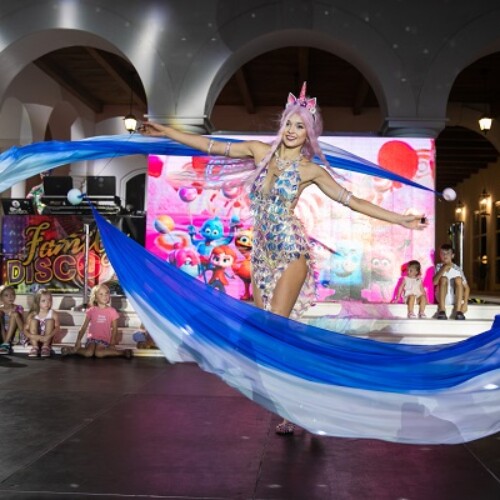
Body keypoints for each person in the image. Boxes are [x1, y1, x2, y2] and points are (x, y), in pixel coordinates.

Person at [140, 82, 427, 434]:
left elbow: (352, 202)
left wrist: (400, 219)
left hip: (291, 249)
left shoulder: (310, 170)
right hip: (262, 255)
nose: (292, 130)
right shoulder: (259, 152)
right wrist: (165, 131)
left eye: (300, 126)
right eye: (289, 123)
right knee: (270, 334)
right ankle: (304, 394)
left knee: (276, 326)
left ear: (309, 133)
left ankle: (293, 407)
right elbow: (208, 145)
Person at [61, 283, 132, 358]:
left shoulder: (112, 311)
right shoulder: (91, 310)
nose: (104, 296)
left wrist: (112, 342)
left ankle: (122, 352)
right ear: (95, 297)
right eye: (101, 294)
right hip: (92, 339)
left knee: (99, 353)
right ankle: (73, 350)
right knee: (89, 353)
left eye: (106, 293)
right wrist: (78, 340)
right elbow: (84, 326)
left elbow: (115, 328)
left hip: (104, 339)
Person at [433, 243, 469, 320]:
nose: (445, 255)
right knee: (443, 278)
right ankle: (442, 310)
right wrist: (444, 268)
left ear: (452, 255)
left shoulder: (457, 269)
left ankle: (458, 311)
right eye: (442, 253)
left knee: (458, 279)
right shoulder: (438, 266)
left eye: (448, 253)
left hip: (454, 297)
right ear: (440, 255)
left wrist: (465, 303)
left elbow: (467, 288)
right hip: (442, 296)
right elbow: (434, 282)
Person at [24, 288, 60, 358]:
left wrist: (48, 337)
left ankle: (45, 347)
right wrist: (32, 336)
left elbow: (57, 327)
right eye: (43, 301)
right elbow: (25, 329)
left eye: (49, 300)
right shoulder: (33, 314)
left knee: (50, 321)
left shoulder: (53, 313)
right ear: (38, 302)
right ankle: (35, 347)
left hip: (48, 338)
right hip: (35, 337)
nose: (47, 303)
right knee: (33, 321)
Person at [0, 285, 25, 354]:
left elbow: (22, 326)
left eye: (12, 294)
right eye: (6, 295)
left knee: (14, 314)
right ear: (1, 298)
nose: (10, 297)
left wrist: (15, 315)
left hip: (16, 336)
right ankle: (5, 343)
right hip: (2, 336)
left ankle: (6, 343)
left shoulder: (18, 308)